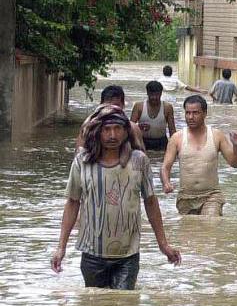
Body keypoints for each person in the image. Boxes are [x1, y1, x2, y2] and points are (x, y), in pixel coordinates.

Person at [51, 105, 181, 288]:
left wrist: (163, 244)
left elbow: (151, 202)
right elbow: (73, 203)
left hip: (127, 255)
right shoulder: (83, 161)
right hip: (92, 254)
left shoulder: (139, 161)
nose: (112, 135)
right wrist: (61, 248)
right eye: (106, 130)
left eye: (117, 128)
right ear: (97, 132)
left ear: (126, 132)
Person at [160, 95, 237, 216]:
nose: (191, 117)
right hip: (185, 197)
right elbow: (165, 167)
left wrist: (236, 146)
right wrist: (166, 183)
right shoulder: (177, 138)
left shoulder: (216, 135)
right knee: (190, 231)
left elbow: (235, 163)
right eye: (187, 113)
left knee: (209, 223)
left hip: (211, 195)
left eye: (195, 113)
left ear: (204, 113)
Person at [76, 85, 145, 151]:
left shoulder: (133, 128)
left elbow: (142, 157)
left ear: (123, 105)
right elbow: (79, 154)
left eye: (115, 106)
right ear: (101, 105)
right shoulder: (89, 126)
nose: (111, 110)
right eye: (107, 106)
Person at [130, 81, 176, 153]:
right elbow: (130, 127)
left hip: (161, 142)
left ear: (161, 93)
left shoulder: (167, 107)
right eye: (151, 94)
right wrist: (139, 126)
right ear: (147, 93)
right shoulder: (139, 106)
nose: (154, 97)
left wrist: (175, 148)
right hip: (143, 142)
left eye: (157, 95)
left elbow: (172, 130)